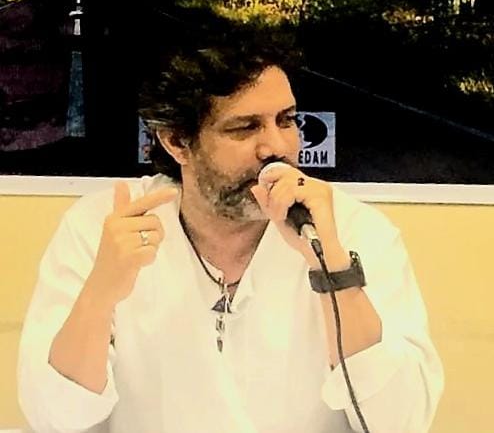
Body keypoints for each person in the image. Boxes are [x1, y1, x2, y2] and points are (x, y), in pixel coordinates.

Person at [18, 36, 443, 433]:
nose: (276, 147)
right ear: (177, 142)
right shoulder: (103, 227)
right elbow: (55, 418)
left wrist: (333, 269)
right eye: (245, 127)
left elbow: (399, 421)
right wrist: (100, 293)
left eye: (286, 120)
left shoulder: (350, 231)